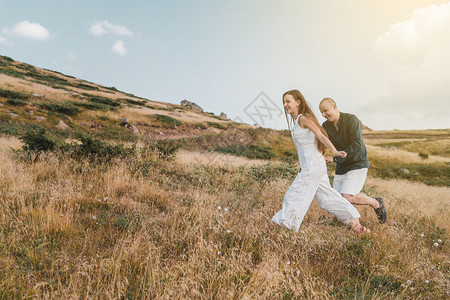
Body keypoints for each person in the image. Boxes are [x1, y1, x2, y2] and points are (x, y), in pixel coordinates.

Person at [272, 90, 369, 233]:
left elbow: (321, 136)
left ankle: (287, 225)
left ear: (298, 102)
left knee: (296, 192)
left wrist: (335, 152)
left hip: (313, 165)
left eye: (288, 101)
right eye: (284, 102)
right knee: (326, 198)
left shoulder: (303, 118)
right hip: (312, 164)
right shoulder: (297, 122)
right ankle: (353, 221)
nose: (285, 105)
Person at [319, 98, 387, 223]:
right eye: (321, 112)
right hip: (342, 165)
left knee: (347, 197)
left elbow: (357, 145)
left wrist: (334, 158)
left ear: (334, 107)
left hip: (357, 163)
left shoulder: (351, 119)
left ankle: (376, 202)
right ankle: (349, 222)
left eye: (325, 111)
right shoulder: (325, 126)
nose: (323, 115)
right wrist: (319, 156)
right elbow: (323, 143)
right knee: (338, 200)